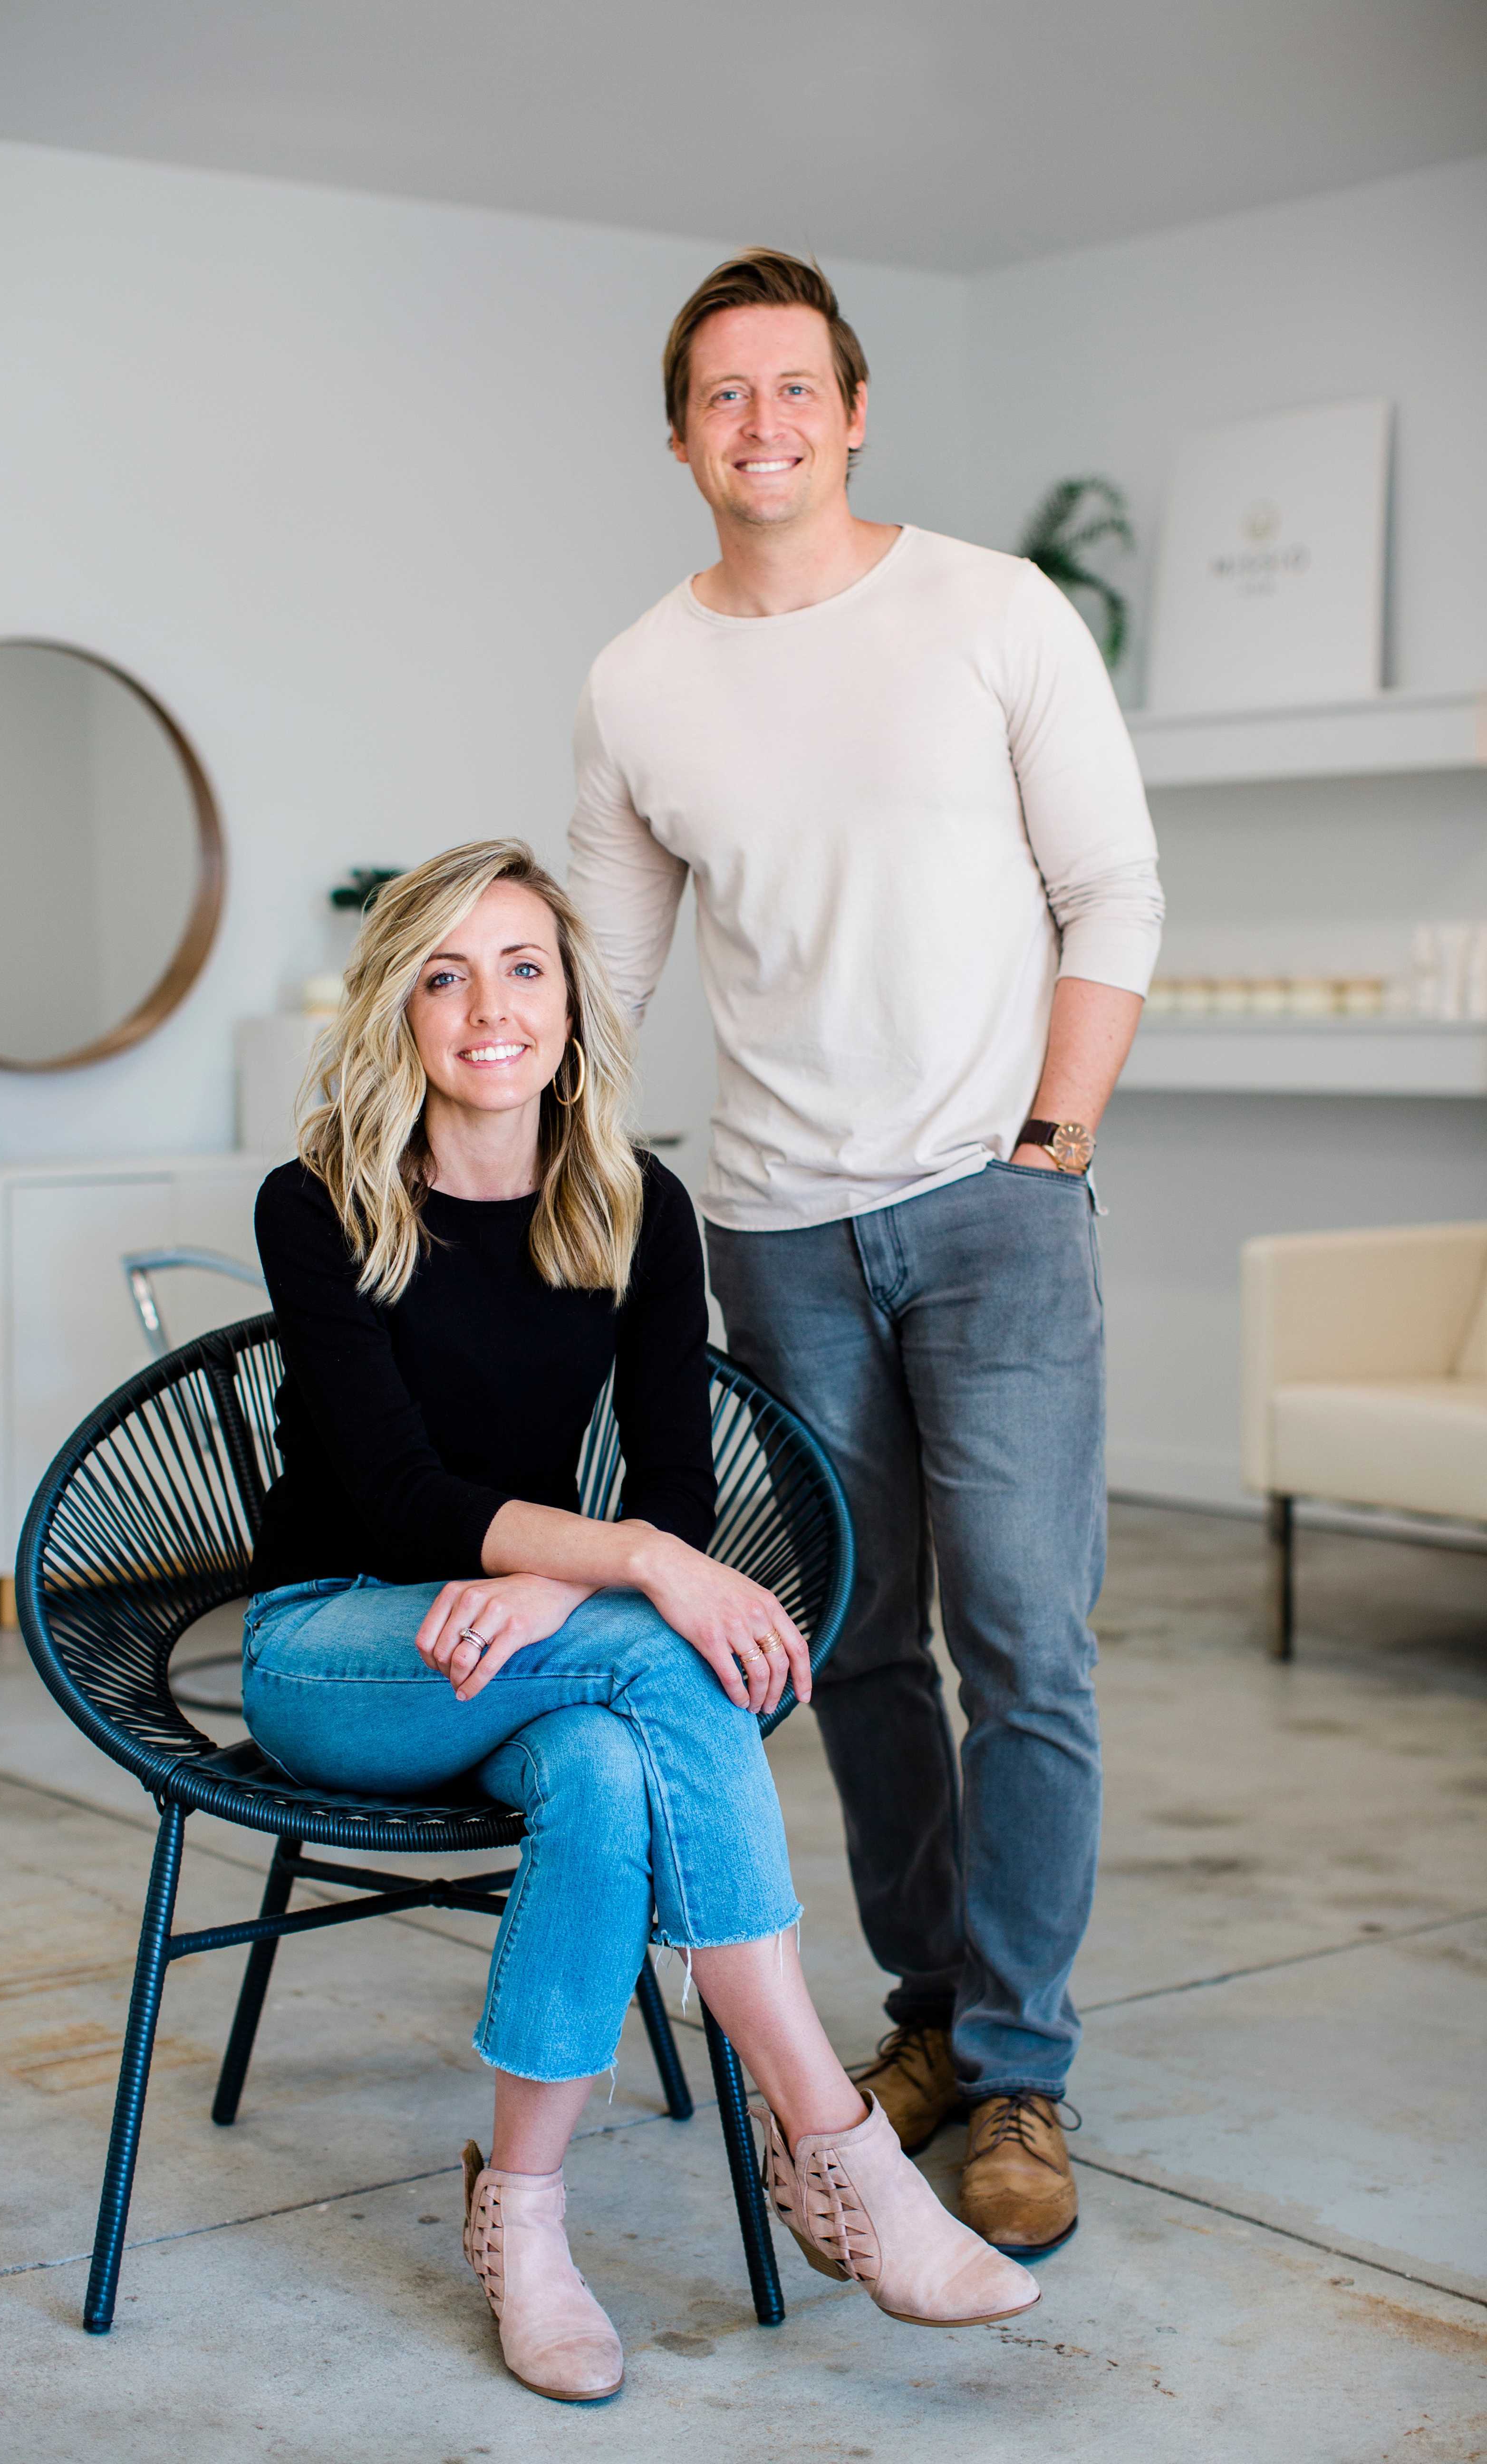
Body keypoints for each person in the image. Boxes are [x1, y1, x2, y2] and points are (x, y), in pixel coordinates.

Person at [242, 838, 1039, 2404]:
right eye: (446, 975)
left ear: (570, 1003)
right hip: (337, 1646)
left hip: (536, 1648)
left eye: (523, 968)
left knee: (613, 1771)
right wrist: (642, 1568)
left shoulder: (634, 1204)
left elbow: (674, 1479)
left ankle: (524, 2222)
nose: (490, 1009)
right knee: (665, 1642)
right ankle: (839, 2148)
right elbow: (400, 1501)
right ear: (400, 1007)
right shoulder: (316, 1201)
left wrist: (581, 1576)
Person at [568, 251, 1164, 2261]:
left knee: (1029, 1646)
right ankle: (931, 2015)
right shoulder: (640, 679)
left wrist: (1050, 1149)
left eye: (794, 386)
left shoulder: (993, 610)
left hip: (998, 1211)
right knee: (861, 1648)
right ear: (679, 436)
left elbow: (1113, 891)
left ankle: (1021, 2070)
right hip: (774, 1228)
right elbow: (607, 979)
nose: (764, 422)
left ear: (855, 409)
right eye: (723, 395)